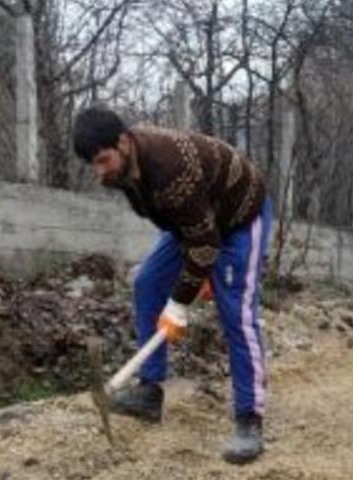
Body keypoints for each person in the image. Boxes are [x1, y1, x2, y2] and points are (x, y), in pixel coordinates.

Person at [73, 106, 272, 464]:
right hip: (196, 221)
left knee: (235, 313)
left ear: (123, 142)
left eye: (103, 160)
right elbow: (183, 227)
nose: (99, 172)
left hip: (240, 216)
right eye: (93, 164)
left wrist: (180, 301)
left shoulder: (169, 168)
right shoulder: (124, 172)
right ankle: (149, 392)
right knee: (148, 283)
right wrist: (196, 271)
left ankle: (249, 418)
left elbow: (206, 244)